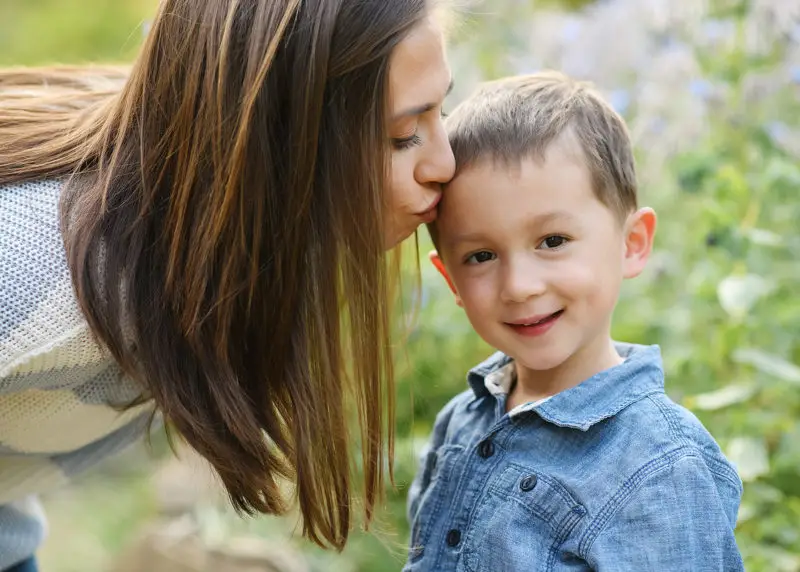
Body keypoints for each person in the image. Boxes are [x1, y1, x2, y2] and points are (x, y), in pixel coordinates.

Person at [0, 0, 456, 569]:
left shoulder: (219, 240)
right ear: (281, 138)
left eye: (441, 112)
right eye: (403, 135)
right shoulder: (42, 276)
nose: (446, 162)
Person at [405, 71, 744, 571]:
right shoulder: (461, 421)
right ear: (450, 279)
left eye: (553, 241)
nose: (520, 285)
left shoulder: (660, 467)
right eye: (480, 256)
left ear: (632, 244)